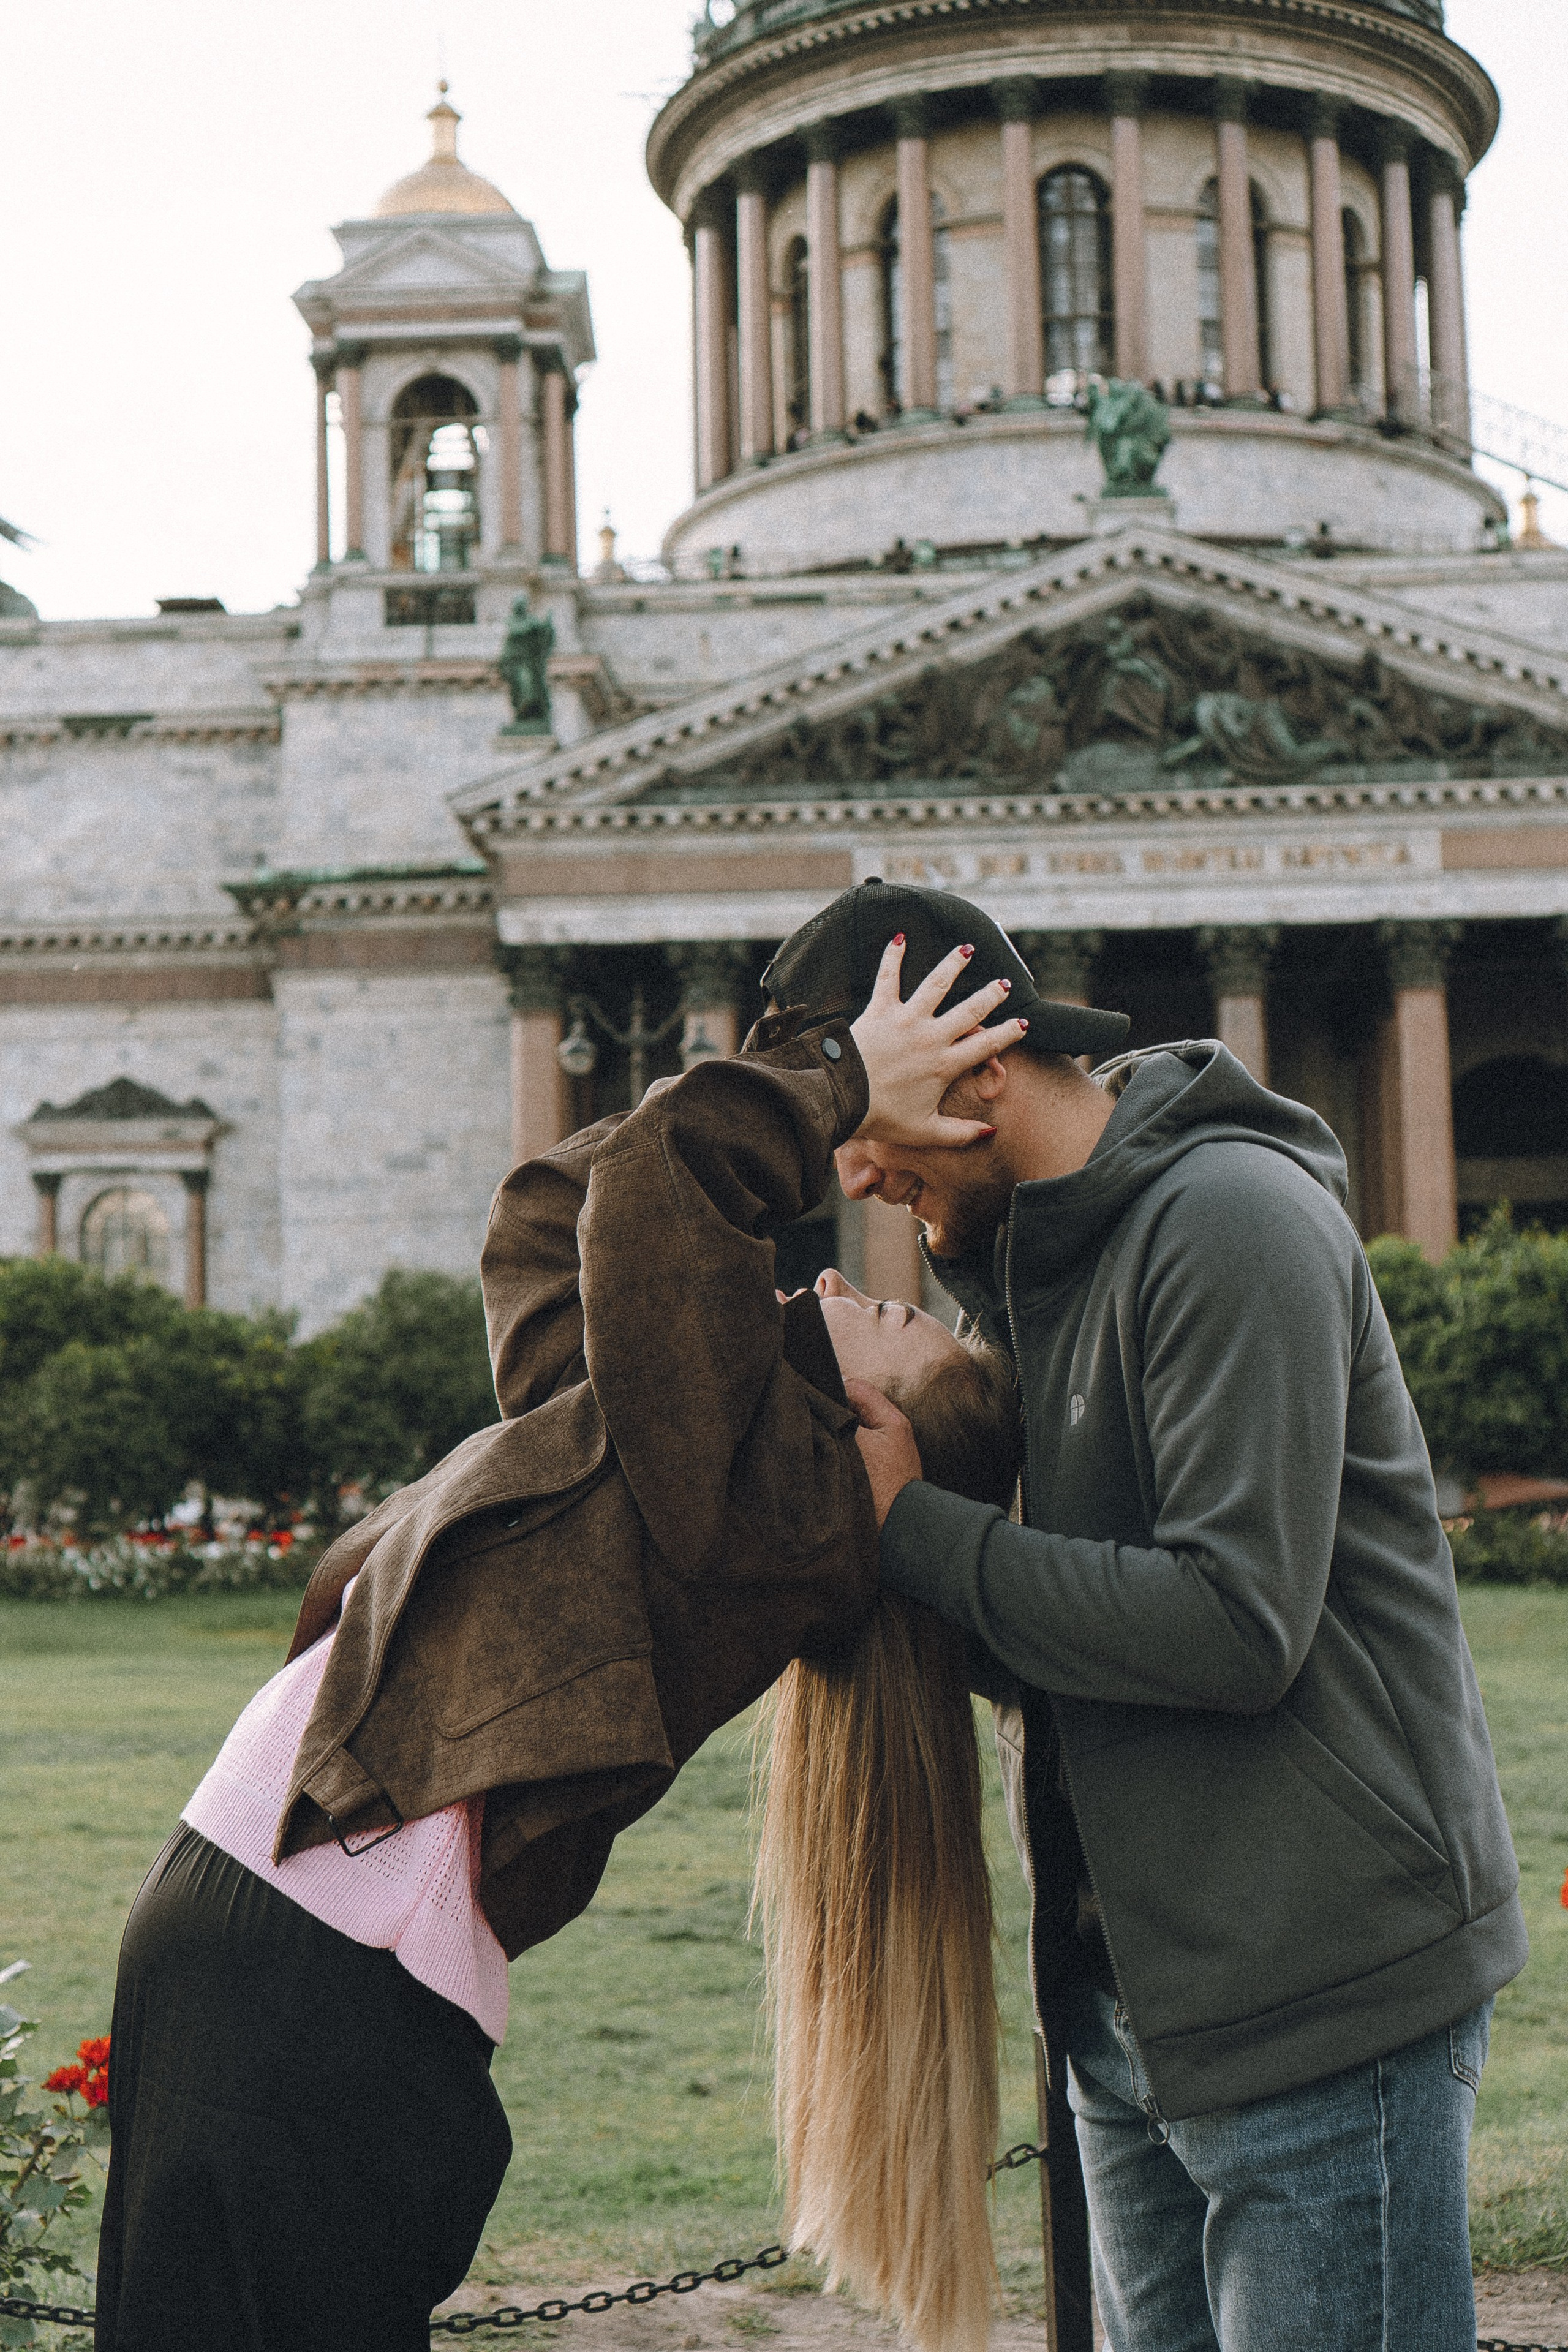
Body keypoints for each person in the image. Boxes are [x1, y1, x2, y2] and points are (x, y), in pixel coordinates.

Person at [94, 946, 1028, 2352]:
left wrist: (834, 1084)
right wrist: (807, 1046)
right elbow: (556, 1216)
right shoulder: (670, 1443)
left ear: (878, 1441)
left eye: (884, 1319)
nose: (846, 1289)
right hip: (268, 1934)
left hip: (315, 1968)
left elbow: (667, 1195)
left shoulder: (780, 1505)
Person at [764, 879, 1528, 2352]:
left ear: (978, 1069)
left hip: (1318, 1998)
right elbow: (1069, 1632)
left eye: (866, 1123)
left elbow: (1234, 1626)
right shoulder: (1022, 1277)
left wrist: (913, 1530)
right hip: (1131, 2016)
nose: (851, 1181)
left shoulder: (1226, 1221)